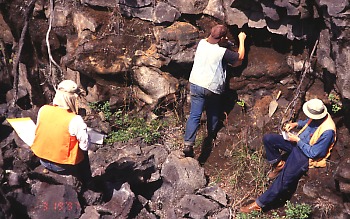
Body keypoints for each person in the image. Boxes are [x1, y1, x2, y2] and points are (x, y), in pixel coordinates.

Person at [240, 98, 336, 213]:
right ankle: (278, 164)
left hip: (305, 155)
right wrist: (295, 124)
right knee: (269, 139)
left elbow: (314, 153)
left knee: (284, 179)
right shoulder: (319, 114)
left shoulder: (328, 131)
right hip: (298, 143)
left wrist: (298, 140)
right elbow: (309, 122)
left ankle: (259, 204)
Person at [183, 24, 247, 157]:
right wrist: (241, 40)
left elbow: (211, 41)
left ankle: (188, 144)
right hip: (211, 87)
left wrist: (222, 40)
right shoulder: (221, 52)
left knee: (195, 115)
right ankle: (211, 134)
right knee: (213, 110)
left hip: (195, 83)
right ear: (222, 37)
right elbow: (239, 57)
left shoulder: (201, 43)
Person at [31, 80, 92, 184]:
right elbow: (84, 146)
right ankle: (88, 182)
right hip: (62, 166)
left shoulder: (43, 110)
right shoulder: (75, 119)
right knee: (84, 153)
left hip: (43, 160)